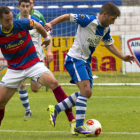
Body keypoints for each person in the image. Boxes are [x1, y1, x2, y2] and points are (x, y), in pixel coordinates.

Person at [46, 2, 136, 136]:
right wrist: (51, 24)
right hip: (74, 59)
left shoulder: (105, 29)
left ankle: (56, 109)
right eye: (112, 19)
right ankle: (79, 126)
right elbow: (67, 16)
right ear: (105, 14)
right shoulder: (88, 20)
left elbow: (109, 44)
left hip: (85, 62)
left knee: (87, 93)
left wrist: (123, 57)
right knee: (85, 90)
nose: (113, 22)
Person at [0, 5, 76, 135]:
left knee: (54, 83)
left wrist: (46, 38)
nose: (11, 22)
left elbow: (38, 26)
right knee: (0, 103)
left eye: (11, 19)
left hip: (33, 63)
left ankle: (73, 122)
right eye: (7, 20)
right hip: (14, 69)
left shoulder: (21, 23)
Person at [17, 0, 53, 118]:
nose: (26, 8)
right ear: (19, 7)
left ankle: (41, 83)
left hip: (36, 58)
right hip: (21, 58)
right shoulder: (16, 21)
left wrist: (48, 51)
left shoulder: (37, 20)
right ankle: (28, 111)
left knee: (35, 89)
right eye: (23, 6)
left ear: (31, 6)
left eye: (28, 5)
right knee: (21, 85)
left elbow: (48, 35)